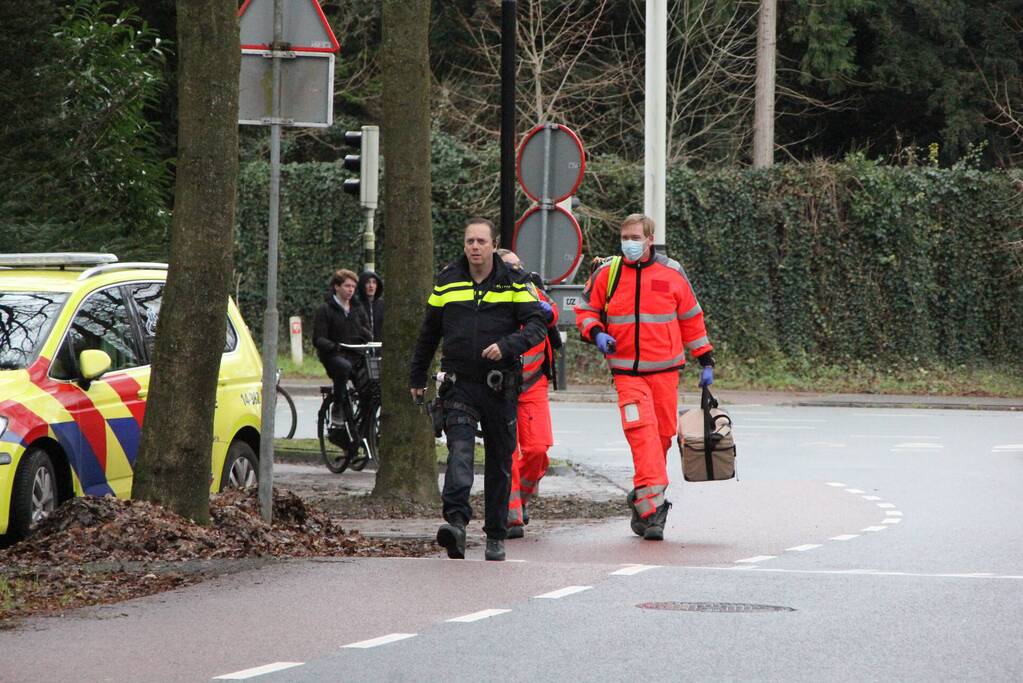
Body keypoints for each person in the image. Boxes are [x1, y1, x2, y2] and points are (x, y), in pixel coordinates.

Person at [410, 218, 547, 562]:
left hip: (499, 386)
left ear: (492, 244)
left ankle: (496, 535)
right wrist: (416, 376)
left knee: (500, 463)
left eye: (481, 241)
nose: (474, 247)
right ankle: (455, 524)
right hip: (459, 385)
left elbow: (537, 325)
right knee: (459, 455)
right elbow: (429, 333)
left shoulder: (514, 282)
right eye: (469, 240)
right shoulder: (447, 282)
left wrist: (507, 345)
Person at [574, 214, 715, 541]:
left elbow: (691, 317)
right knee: (642, 433)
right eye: (625, 237)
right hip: (626, 373)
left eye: (635, 237)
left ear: (650, 239)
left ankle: (642, 497)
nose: (629, 243)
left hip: (665, 372)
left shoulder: (672, 273)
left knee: (663, 435)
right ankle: (653, 511)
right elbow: (585, 310)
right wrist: (595, 333)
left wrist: (705, 359)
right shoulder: (607, 274)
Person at [496, 249, 559, 540]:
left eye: (518, 266)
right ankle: (511, 515)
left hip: (533, 384)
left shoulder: (531, 287)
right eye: (510, 267)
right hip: (499, 386)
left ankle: (523, 496)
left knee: (537, 450)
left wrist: (548, 312)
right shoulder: (489, 295)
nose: (516, 271)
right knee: (506, 452)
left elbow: (552, 311)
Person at [313, 269, 373, 424]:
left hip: (356, 354)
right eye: (347, 286)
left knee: (372, 384)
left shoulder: (357, 309)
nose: (351, 290)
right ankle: (338, 406)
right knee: (343, 368)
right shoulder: (325, 310)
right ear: (337, 287)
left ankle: (367, 422)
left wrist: (364, 333)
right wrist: (333, 347)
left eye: (353, 286)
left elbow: (368, 332)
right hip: (335, 355)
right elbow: (318, 339)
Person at [356, 271, 384, 342]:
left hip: (379, 348)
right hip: (361, 347)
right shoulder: (355, 305)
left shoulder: (383, 305)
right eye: (368, 282)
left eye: (374, 282)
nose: (371, 286)